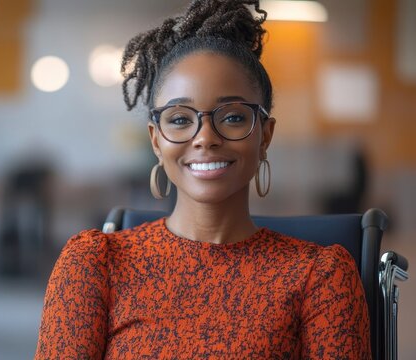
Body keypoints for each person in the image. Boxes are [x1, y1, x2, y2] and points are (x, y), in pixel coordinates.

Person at [35, 0, 371, 358]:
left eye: (232, 117)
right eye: (180, 119)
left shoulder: (321, 276)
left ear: (265, 136)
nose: (205, 137)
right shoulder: (94, 263)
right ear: (156, 140)